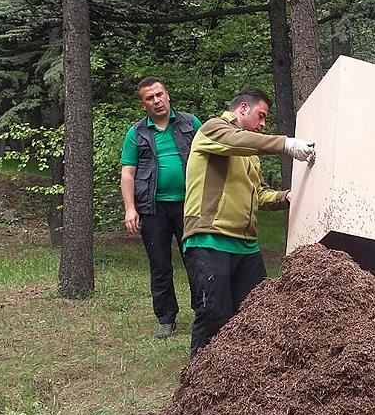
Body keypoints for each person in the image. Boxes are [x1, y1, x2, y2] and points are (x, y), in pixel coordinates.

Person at [182, 87, 314, 357]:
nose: (263, 123)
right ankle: (200, 375)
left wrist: (287, 197)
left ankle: (246, 373)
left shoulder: (249, 153)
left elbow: (260, 193)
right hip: (209, 239)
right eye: (261, 115)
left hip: (246, 246)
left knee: (256, 314)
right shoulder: (212, 130)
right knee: (214, 314)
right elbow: (236, 141)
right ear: (243, 108)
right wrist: (286, 144)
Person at [120, 77, 202, 339]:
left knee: (197, 259)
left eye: (159, 95)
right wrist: (130, 209)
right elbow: (128, 173)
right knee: (160, 264)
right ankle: (166, 318)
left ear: (168, 96)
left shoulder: (191, 123)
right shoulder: (136, 133)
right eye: (149, 98)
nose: (156, 101)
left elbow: (210, 157)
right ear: (143, 104)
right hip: (152, 208)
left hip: (190, 205)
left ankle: (204, 311)